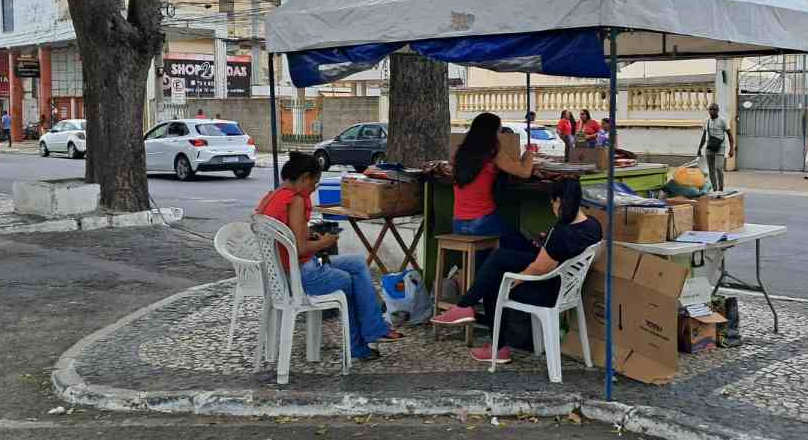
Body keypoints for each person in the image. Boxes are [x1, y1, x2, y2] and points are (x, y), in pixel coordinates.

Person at [433, 179, 603, 363]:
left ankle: (494, 343)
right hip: (567, 287)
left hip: (548, 291)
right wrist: (546, 243)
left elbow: (539, 268)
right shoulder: (593, 225)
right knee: (500, 257)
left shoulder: (560, 233)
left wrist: (518, 279)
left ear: (559, 201)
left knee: (495, 280)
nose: (552, 208)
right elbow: (558, 255)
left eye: (552, 203)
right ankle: (465, 307)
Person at [254, 152, 402, 362]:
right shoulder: (296, 200)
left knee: (357, 263)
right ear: (304, 177)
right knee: (353, 282)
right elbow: (301, 249)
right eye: (314, 182)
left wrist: (309, 235)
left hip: (285, 271)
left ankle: (375, 328)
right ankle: (365, 340)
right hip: (302, 274)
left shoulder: (273, 197)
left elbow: (290, 238)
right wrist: (325, 242)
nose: (314, 188)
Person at [451, 112, 535, 241]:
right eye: (498, 132)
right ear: (492, 133)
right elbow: (525, 172)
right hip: (483, 222)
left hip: (458, 223)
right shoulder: (493, 152)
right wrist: (528, 154)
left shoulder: (459, 153)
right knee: (523, 246)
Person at [697, 103, 735, 192]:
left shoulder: (722, 120)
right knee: (711, 170)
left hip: (720, 147)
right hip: (709, 147)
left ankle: (721, 189)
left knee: (718, 167)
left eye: (714, 109)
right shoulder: (707, 121)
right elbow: (704, 136)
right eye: (710, 109)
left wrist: (731, 149)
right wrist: (699, 148)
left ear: (718, 110)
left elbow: (730, 135)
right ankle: (715, 189)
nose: (712, 111)